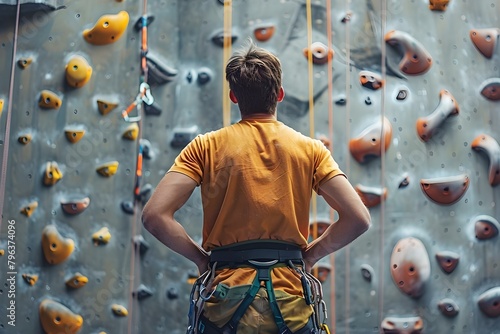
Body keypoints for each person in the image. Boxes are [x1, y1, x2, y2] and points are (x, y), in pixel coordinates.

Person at [142, 40, 371, 334]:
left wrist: (202, 260)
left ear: (233, 96)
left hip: (225, 299)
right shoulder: (310, 150)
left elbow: (154, 215)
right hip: (290, 300)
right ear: (280, 94)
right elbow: (358, 218)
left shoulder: (205, 147)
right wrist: (310, 256)